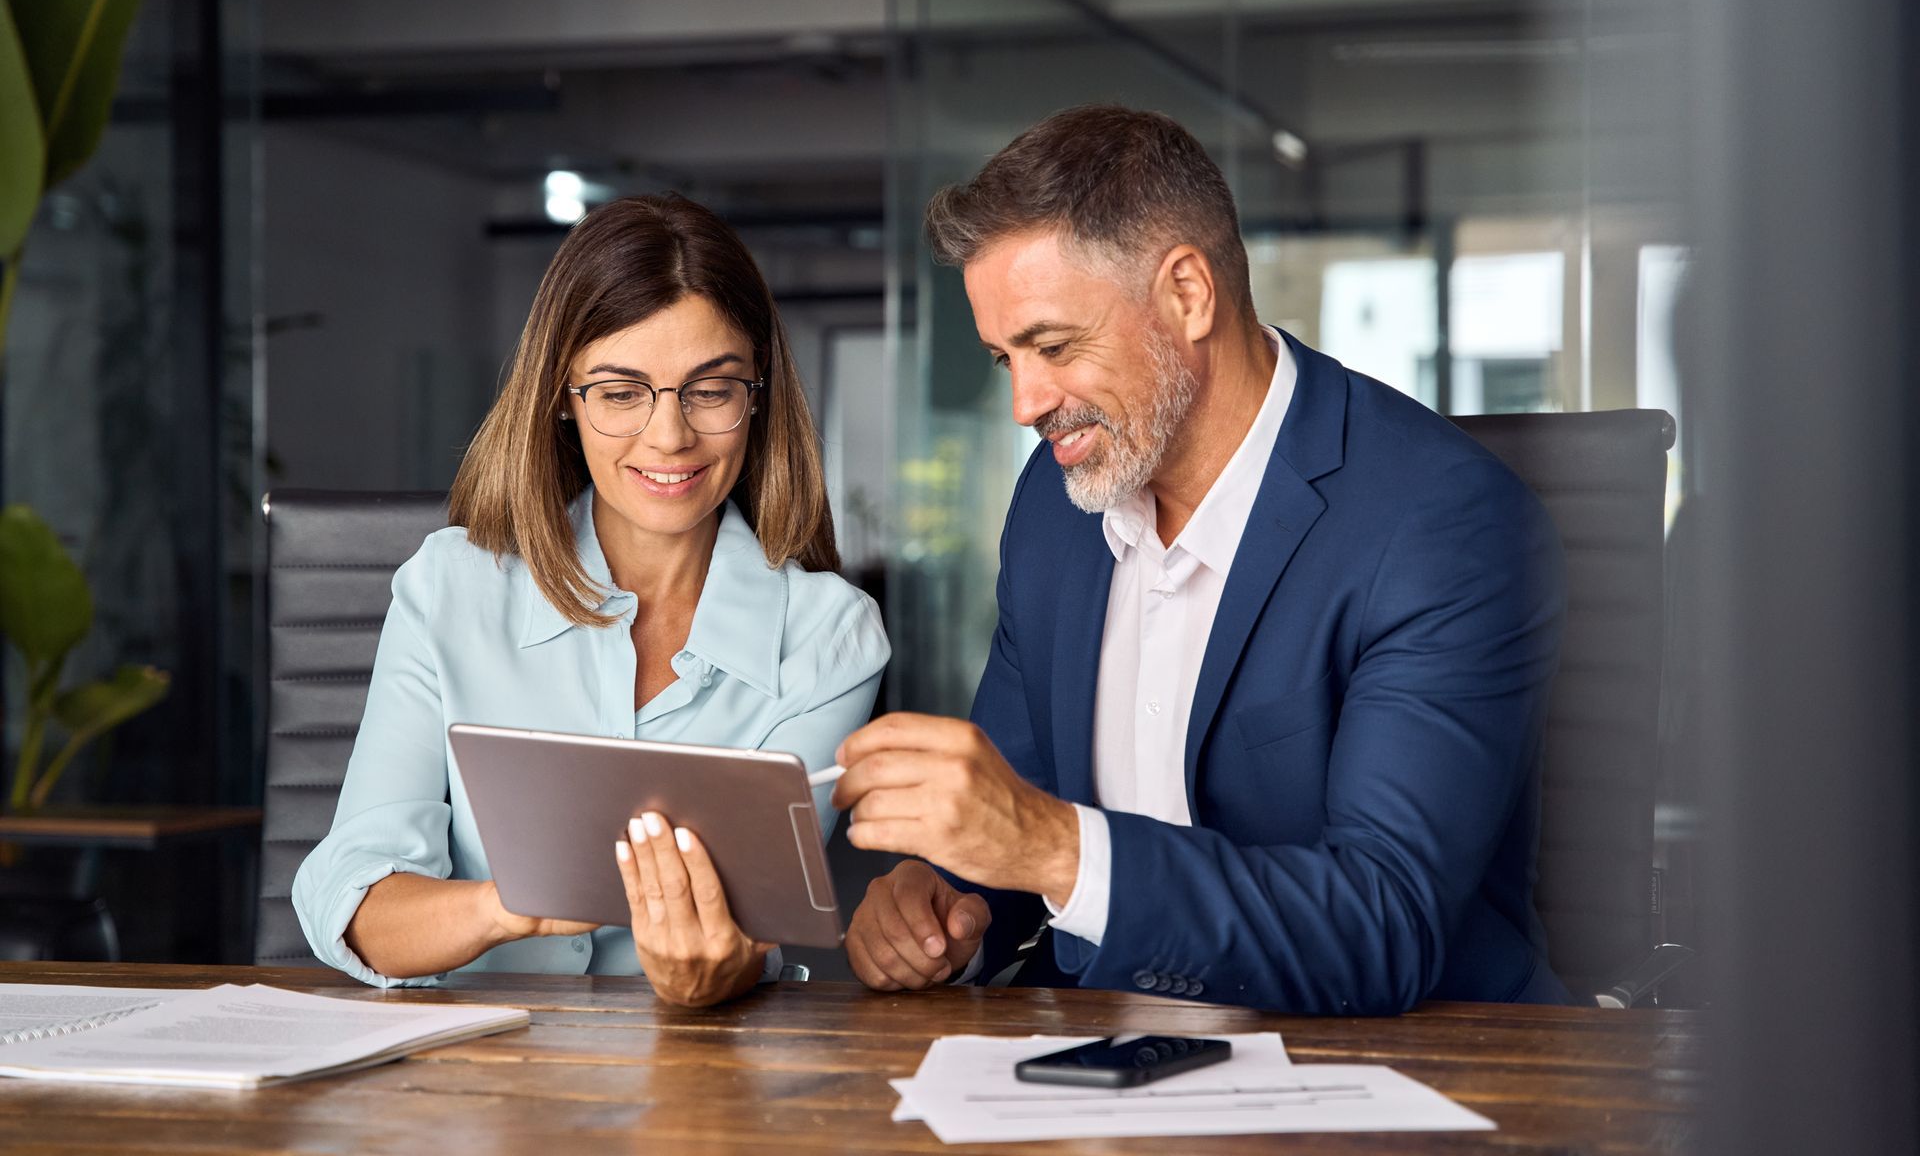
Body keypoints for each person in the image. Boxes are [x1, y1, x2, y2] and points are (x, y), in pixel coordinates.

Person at [833, 105, 1568, 1013]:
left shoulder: (1441, 525)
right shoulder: (1055, 508)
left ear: (1188, 293)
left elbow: (1387, 925)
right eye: (1002, 359)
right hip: (1094, 1057)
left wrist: (1056, 850)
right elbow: (1017, 812)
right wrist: (944, 904)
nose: (1025, 403)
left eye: (1053, 346)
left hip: (1393, 1069)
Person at [294, 194, 888, 1007]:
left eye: (710, 390)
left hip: (701, 1079)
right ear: (562, 400)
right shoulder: (448, 590)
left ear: (758, 395)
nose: (669, 436)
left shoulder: (830, 637)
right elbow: (355, 900)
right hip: (472, 1085)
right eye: (620, 393)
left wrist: (716, 968)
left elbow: (756, 926)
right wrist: (513, 904)